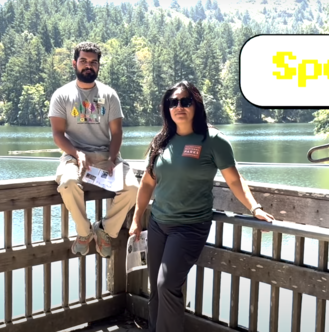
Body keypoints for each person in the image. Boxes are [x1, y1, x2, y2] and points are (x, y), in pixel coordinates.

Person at [129, 81, 274, 332]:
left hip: (189, 227)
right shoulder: (162, 140)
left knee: (167, 285)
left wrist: (255, 208)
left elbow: (234, 179)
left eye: (185, 101)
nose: (179, 107)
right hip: (158, 224)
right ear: (167, 108)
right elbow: (147, 182)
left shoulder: (213, 140)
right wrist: (136, 216)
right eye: (173, 102)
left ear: (196, 105)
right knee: (156, 287)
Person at [48, 41, 139, 258]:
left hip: (107, 155)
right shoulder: (61, 95)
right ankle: (84, 232)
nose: (88, 65)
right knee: (68, 183)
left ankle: (105, 230)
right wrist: (76, 154)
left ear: (98, 66)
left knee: (133, 188)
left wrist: (112, 158)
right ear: (74, 63)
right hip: (73, 155)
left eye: (93, 62)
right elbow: (58, 134)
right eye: (83, 61)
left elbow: (116, 134)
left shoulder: (109, 95)